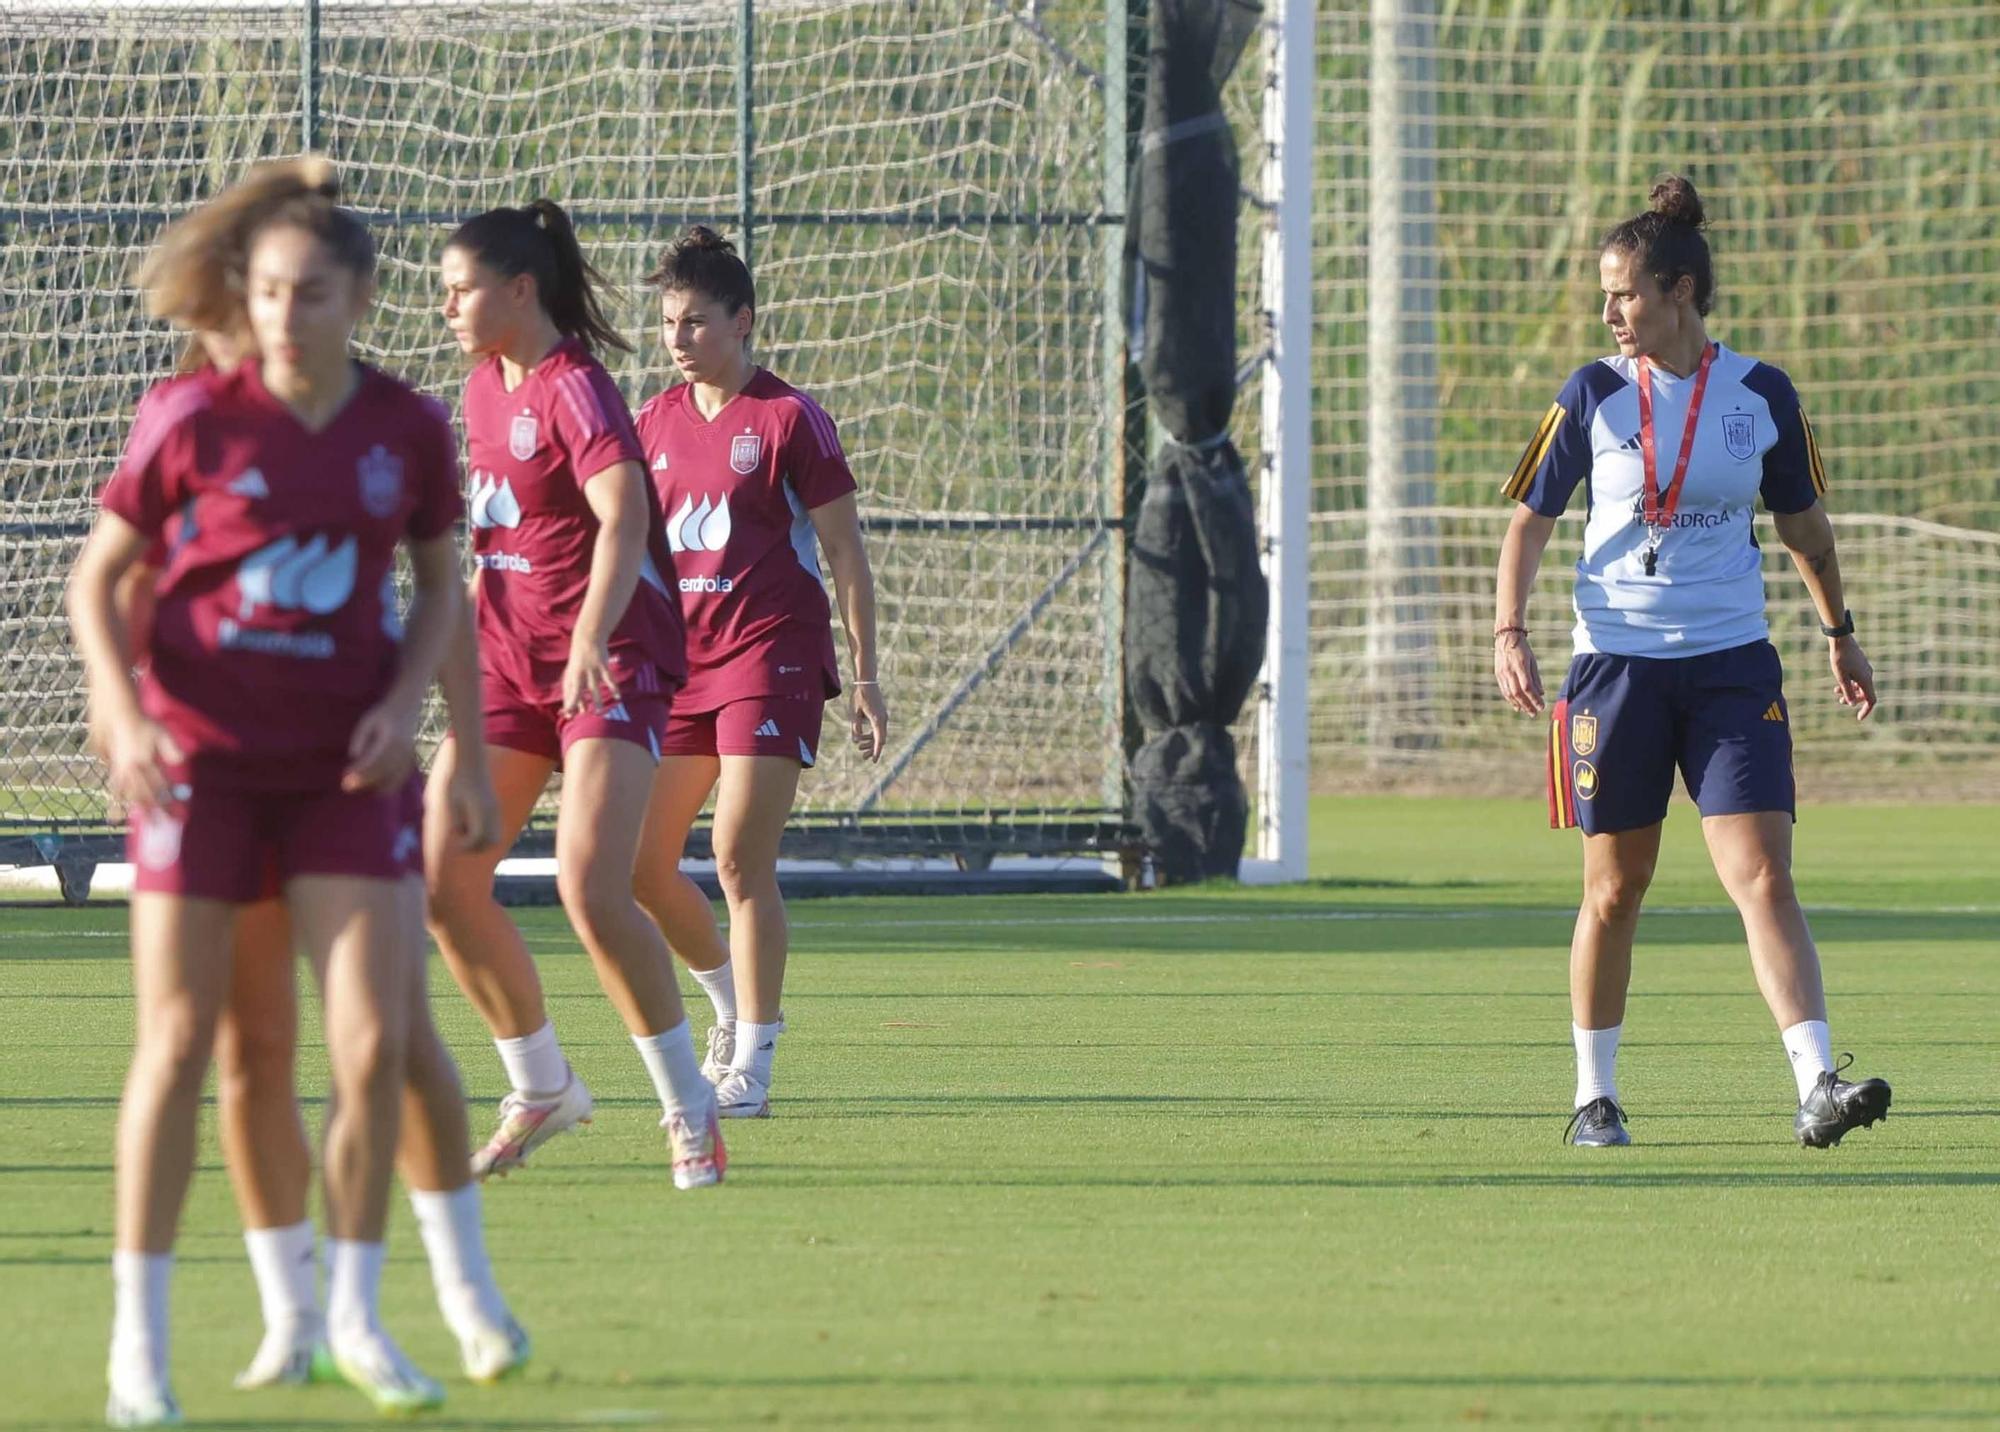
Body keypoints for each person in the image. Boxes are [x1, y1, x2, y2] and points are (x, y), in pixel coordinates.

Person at [71, 161, 485, 1425]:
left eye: (310, 293)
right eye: (264, 292)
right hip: (199, 770)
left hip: (341, 777)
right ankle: (138, 1345)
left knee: (368, 1047)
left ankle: (356, 1317)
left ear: (359, 296)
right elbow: (99, 583)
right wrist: (121, 705)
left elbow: (440, 590)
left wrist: (413, 708)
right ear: (241, 299)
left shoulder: (405, 428)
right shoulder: (190, 416)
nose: (284, 314)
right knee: (187, 1045)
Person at [1492, 174, 1891, 1151]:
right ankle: (1593, 1097)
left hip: (1729, 670)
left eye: (1622, 292)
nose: (1607, 311)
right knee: (1614, 888)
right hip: (1612, 672)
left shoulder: (1761, 394)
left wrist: (1838, 631)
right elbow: (1527, 524)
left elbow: (1804, 527)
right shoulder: (1586, 393)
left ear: (1677, 292)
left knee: (1760, 874)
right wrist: (1507, 628)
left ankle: (1815, 1085)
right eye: (1603, 295)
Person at [425, 200, 723, 1187]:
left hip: (609, 663)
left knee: (592, 888)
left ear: (520, 289)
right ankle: (542, 1084)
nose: (449, 306)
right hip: (510, 669)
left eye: (463, 288)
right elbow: (493, 547)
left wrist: (591, 631)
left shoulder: (575, 389)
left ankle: (690, 1109)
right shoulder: (479, 390)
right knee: (439, 878)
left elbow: (624, 512)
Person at [631, 226, 886, 1118]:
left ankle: (755, 1064)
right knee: (639, 865)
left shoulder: (789, 420)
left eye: (696, 322)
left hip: (770, 654)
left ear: (744, 322)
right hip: (681, 667)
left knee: (739, 857)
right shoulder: (651, 425)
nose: (678, 338)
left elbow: (847, 553)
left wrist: (868, 674)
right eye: (669, 322)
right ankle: (730, 1005)